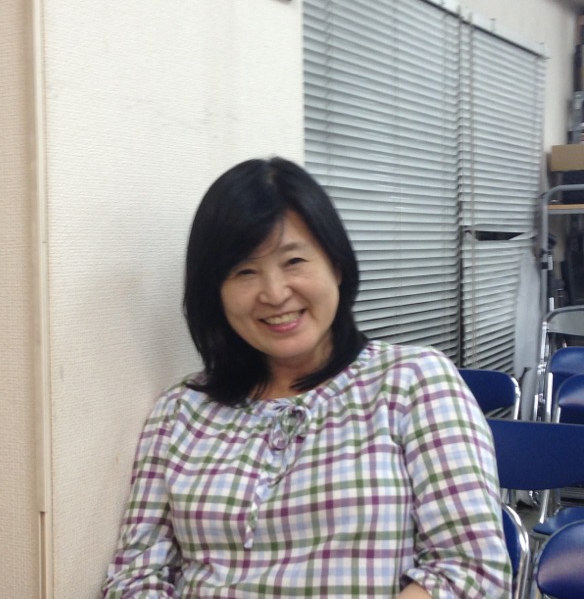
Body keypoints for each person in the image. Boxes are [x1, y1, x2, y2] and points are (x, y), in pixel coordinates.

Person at [101, 157, 511, 598]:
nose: (275, 293)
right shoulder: (179, 412)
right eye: (244, 271)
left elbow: (470, 571)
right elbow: (134, 577)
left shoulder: (414, 382)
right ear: (215, 293)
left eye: (293, 261)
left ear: (336, 264)